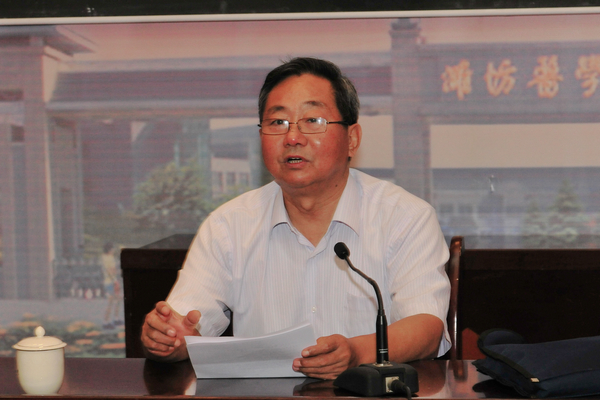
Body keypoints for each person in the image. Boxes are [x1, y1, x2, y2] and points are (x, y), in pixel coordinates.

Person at [141, 57, 450, 379]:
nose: (292, 137)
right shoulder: (228, 226)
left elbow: (426, 327)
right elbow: (185, 324)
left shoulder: (405, 218)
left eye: (312, 120)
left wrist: (357, 353)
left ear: (352, 139)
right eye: (278, 122)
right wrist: (169, 339)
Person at [102, 241, 123, 329]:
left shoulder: (104, 257)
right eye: (113, 248)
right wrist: (115, 280)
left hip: (108, 282)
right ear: (110, 249)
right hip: (112, 282)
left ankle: (115, 318)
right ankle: (106, 322)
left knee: (117, 299)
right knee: (111, 302)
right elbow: (111, 271)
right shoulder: (110, 258)